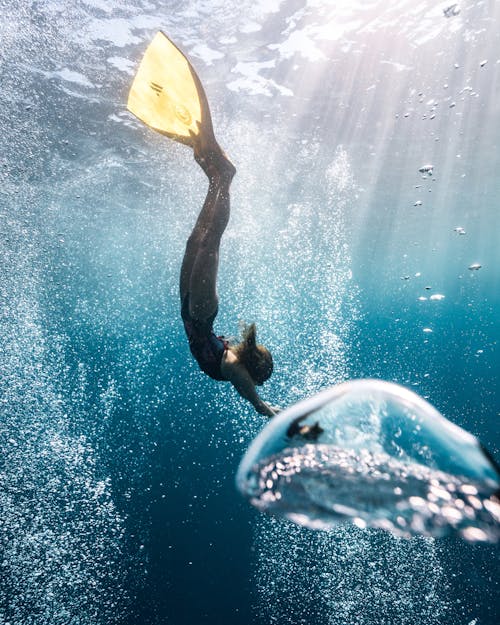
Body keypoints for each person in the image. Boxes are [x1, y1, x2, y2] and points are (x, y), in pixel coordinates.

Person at [127, 32, 277, 416]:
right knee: (211, 241)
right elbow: (236, 376)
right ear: (252, 372)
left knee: (199, 239)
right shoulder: (231, 368)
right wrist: (258, 404)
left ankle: (215, 176)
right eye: (254, 380)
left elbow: (235, 371)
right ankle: (221, 176)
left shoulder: (230, 359)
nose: (248, 383)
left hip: (191, 308)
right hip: (199, 313)